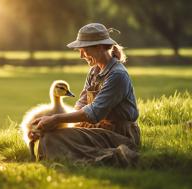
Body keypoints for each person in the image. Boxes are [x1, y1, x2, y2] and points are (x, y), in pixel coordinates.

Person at [31, 23, 140, 167]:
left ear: (100, 47)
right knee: (48, 137)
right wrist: (48, 126)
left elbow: (94, 113)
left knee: (52, 141)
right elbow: (81, 106)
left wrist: (56, 119)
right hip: (97, 130)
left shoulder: (117, 75)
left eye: (84, 50)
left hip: (120, 135)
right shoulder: (94, 71)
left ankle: (114, 156)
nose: (81, 55)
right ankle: (83, 158)